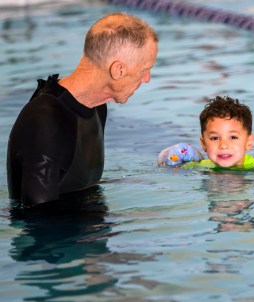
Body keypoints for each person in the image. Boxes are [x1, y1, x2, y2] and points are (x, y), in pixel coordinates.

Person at [7, 12, 158, 208]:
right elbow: (40, 223)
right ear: (118, 70)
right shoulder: (45, 119)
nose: (147, 78)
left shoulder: (96, 107)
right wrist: (123, 223)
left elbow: (79, 188)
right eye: (144, 69)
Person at [158, 96, 254, 172]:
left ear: (249, 142)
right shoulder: (201, 166)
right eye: (214, 138)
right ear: (204, 143)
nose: (223, 145)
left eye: (233, 137)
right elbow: (164, 162)